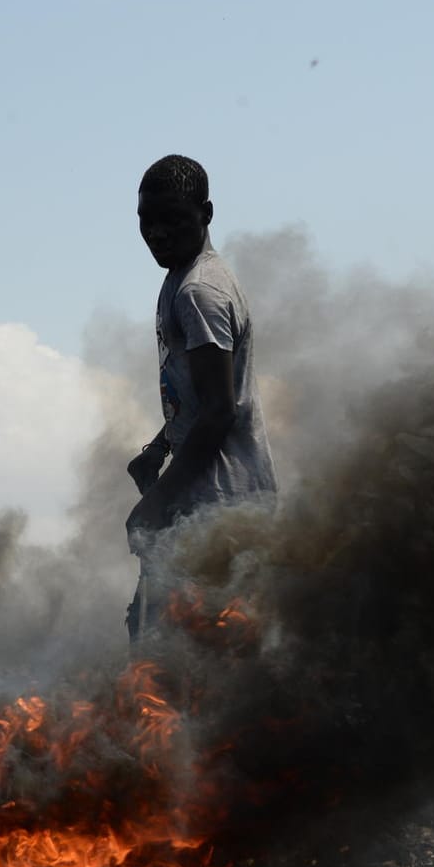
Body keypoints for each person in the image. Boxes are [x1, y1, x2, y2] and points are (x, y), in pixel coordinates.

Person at [125, 155, 276, 640]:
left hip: (223, 509)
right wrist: (160, 446)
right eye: (148, 222)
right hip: (209, 505)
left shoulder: (200, 292)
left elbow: (218, 412)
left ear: (206, 214)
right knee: (160, 643)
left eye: (174, 219)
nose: (159, 234)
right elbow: (199, 400)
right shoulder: (180, 279)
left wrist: (158, 502)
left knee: (193, 658)